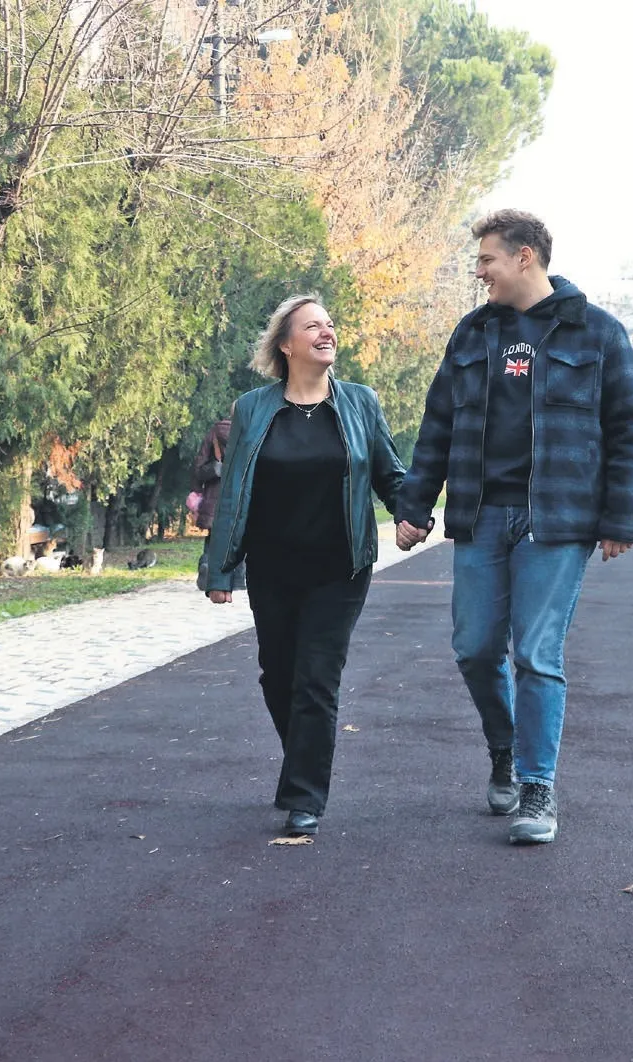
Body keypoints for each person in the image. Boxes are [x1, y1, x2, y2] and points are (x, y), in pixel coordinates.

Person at [393, 209, 633, 846]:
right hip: (480, 514)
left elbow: (628, 430)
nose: (480, 272)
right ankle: (504, 749)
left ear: (524, 256)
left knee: (536, 654)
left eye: (487, 260)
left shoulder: (597, 332)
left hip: (558, 519)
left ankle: (538, 786)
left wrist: (620, 516)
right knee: (475, 649)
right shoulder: (473, 332)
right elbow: (437, 425)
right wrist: (414, 504)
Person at [198, 294, 406, 837]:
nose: (326, 332)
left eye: (329, 325)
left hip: (341, 567)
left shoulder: (360, 402)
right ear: (286, 345)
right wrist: (220, 569)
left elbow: (389, 471)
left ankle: (304, 796)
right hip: (273, 567)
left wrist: (412, 514)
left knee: (316, 679)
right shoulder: (253, 408)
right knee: (278, 675)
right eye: (313, 326)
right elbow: (234, 488)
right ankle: (303, 762)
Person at [189, 417, 232, 531]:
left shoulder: (215, 432)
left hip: (213, 500)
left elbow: (199, 465)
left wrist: (196, 492)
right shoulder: (252, 434)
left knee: (214, 537)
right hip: (241, 499)